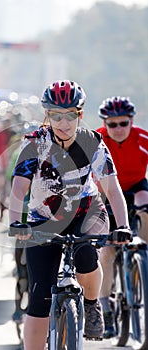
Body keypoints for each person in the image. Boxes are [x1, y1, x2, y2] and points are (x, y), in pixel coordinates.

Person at [8, 80, 132, 350]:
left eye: (69, 115)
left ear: (80, 115)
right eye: (55, 115)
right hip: (44, 218)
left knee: (87, 255)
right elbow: (19, 188)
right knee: (40, 294)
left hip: (87, 212)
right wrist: (16, 222)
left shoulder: (93, 143)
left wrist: (122, 225)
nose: (63, 122)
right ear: (47, 115)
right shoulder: (34, 144)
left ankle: (91, 305)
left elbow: (112, 188)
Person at [96, 96, 148, 338]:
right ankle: (105, 307)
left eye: (123, 123)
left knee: (145, 208)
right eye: (112, 124)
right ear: (104, 124)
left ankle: (143, 260)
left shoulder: (143, 139)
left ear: (132, 121)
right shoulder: (95, 141)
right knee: (107, 252)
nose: (118, 129)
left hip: (136, 187)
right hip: (105, 193)